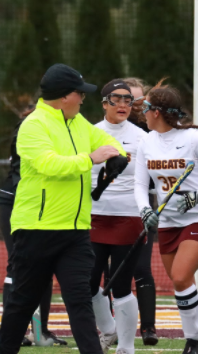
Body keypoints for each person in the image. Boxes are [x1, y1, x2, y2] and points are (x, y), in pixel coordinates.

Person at [0, 63, 127, 354]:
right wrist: (92, 159)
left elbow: (106, 140)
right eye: (80, 93)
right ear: (64, 96)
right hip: (36, 230)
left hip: (75, 231)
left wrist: (117, 155)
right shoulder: (33, 125)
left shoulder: (78, 121)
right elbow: (50, 164)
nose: (84, 99)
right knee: (22, 303)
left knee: (80, 300)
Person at [134, 80, 198, 354]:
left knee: (182, 276)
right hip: (168, 221)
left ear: (157, 112)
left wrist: (197, 197)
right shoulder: (146, 142)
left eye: (146, 107)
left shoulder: (195, 140)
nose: (143, 113)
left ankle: (193, 340)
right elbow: (140, 185)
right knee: (179, 281)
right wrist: (145, 210)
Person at [0, 106, 67, 347]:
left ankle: (40, 331)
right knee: (16, 266)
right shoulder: (31, 131)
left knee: (43, 265)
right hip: (18, 202)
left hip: (41, 203)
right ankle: (13, 332)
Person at [89, 79, 148, 354]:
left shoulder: (142, 137)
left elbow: (152, 178)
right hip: (93, 217)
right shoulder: (88, 133)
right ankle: (109, 329)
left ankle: (126, 348)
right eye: (116, 99)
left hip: (128, 216)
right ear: (104, 103)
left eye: (128, 99)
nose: (123, 104)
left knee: (121, 284)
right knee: (87, 281)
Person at [122, 77, 159, 345]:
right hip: (111, 211)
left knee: (142, 268)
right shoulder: (105, 130)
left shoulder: (151, 132)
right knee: (113, 270)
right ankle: (113, 327)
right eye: (126, 100)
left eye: (137, 101)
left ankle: (148, 328)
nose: (132, 106)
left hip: (142, 208)